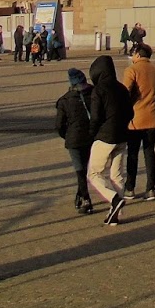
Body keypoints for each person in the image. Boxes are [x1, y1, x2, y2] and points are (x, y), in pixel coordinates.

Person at [86, 54, 133, 225]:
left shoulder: (98, 90)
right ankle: (116, 214)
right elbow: (131, 113)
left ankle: (114, 199)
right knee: (116, 175)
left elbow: (95, 117)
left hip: (105, 137)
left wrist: (91, 135)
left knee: (94, 173)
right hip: (122, 135)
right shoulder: (122, 88)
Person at [122, 43, 155, 201]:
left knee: (132, 154)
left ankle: (130, 188)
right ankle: (150, 188)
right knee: (149, 152)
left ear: (138, 54)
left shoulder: (131, 70)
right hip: (152, 116)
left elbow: (125, 93)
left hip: (135, 118)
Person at [55, 67, 96, 214]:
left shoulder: (65, 100)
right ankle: (81, 195)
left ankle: (85, 199)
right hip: (91, 136)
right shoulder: (94, 94)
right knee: (87, 168)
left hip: (74, 139)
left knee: (80, 170)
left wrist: (66, 135)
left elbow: (59, 125)